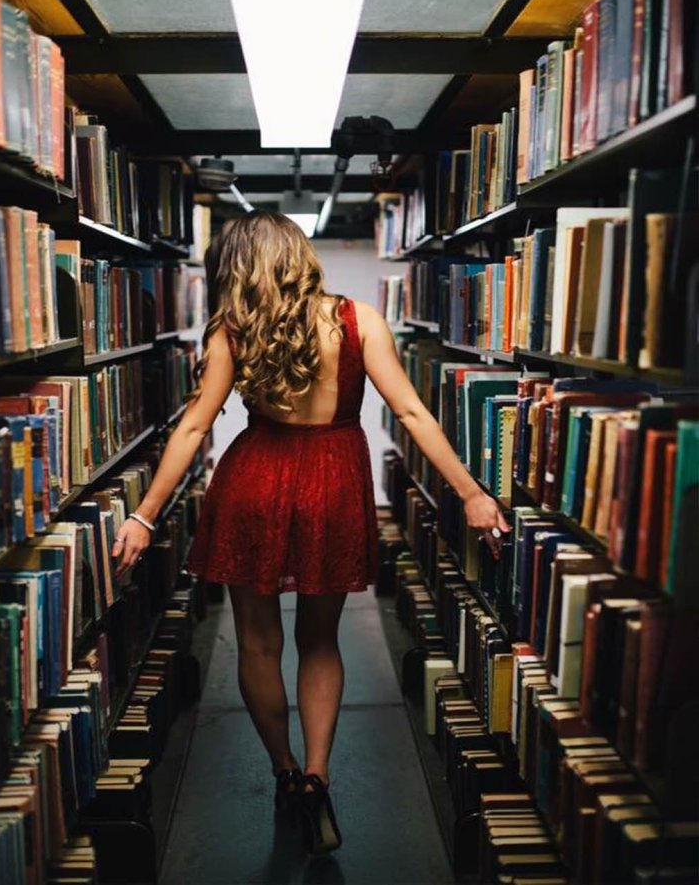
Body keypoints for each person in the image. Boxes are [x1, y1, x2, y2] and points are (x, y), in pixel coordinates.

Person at [112, 210, 509, 855]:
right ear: (299, 253)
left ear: (236, 269)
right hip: (332, 485)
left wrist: (143, 514)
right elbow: (409, 410)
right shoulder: (357, 321)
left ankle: (285, 772)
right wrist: (470, 492)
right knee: (320, 641)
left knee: (257, 645)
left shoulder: (232, 331)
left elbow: (193, 428)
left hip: (254, 483)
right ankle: (320, 775)